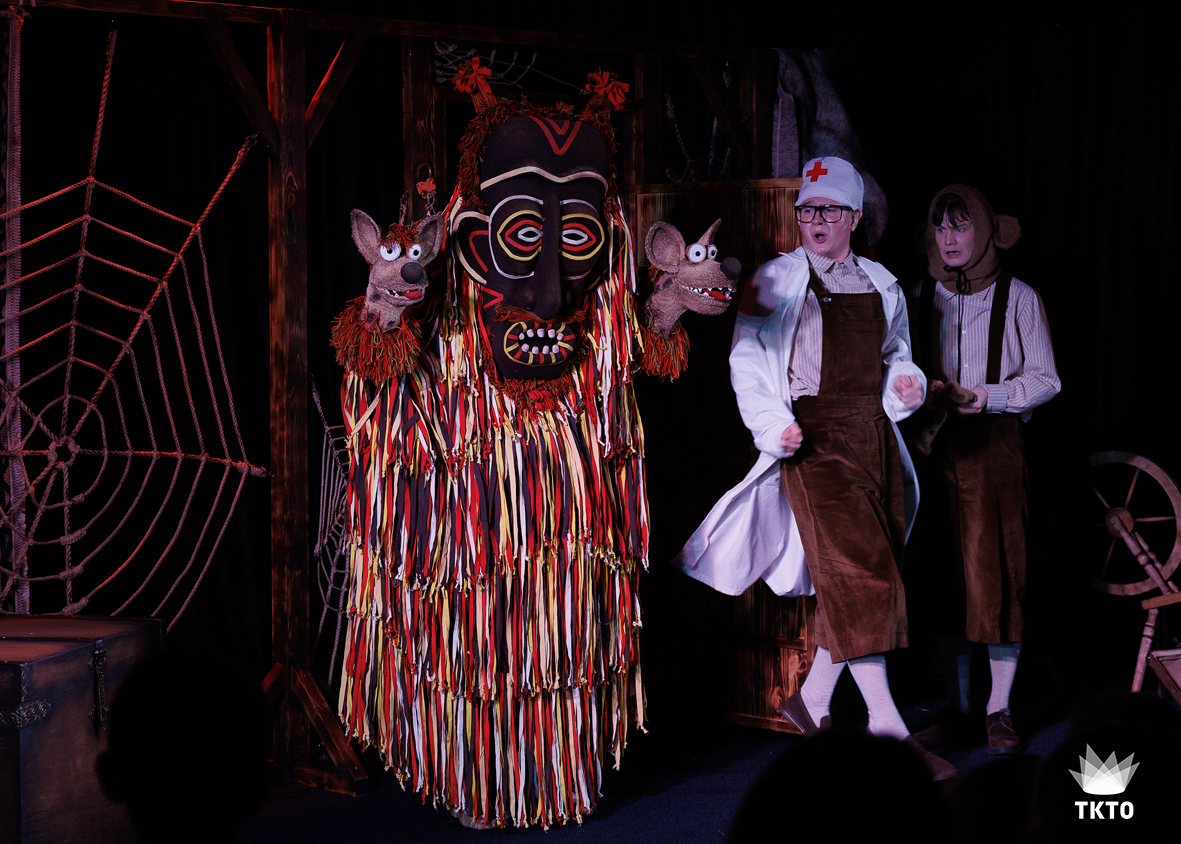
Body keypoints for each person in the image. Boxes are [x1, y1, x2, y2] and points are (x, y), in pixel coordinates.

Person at [675, 157, 953, 778]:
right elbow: (748, 360)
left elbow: (896, 355)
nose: (815, 220)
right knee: (862, 574)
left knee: (867, 573)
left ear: (854, 216)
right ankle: (888, 727)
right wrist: (772, 425)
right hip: (813, 440)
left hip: (874, 437)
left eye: (828, 210)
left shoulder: (881, 282)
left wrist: (905, 385)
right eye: (806, 210)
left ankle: (812, 699)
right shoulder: (775, 279)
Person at [906, 184, 1059, 753]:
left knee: (996, 577)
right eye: (941, 227)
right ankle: (959, 708)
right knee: (945, 582)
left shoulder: (1019, 297)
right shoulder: (918, 295)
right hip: (931, 450)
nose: (949, 238)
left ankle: (999, 711)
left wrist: (987, 397)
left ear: (987, 231)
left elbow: (1046, 379)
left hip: (995, 447)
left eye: (961, 225)